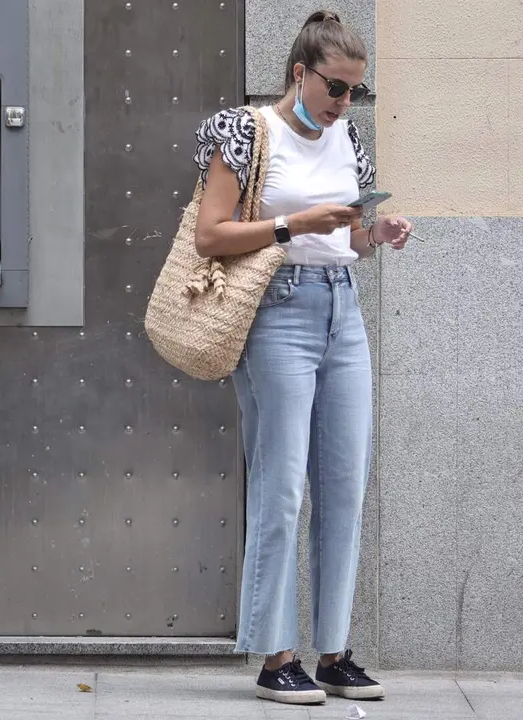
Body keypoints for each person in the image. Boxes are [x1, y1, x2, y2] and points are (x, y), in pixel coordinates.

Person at [192, 10, 413, 706]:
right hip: (276, 310)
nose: (345, 103)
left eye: (355, 91)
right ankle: (274, 655)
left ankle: (334, 650)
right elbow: (210, 235)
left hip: (341, 307)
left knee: (345, 486)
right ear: (299, 72)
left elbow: (345, 242)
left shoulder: (347, 138)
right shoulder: (245, 131)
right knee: (282, 486)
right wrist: (295, 223)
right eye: (336, 87)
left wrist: (375, 234)